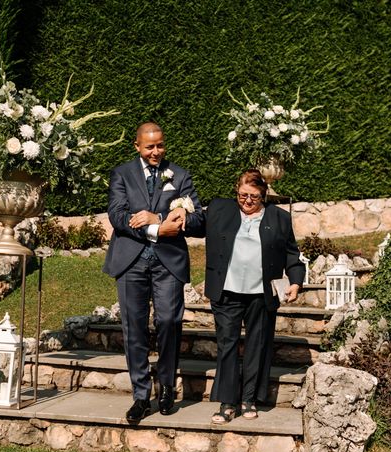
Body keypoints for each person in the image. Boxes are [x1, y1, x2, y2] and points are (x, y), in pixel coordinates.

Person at [103, 122, 204, 423]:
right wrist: (158, 227)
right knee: (134, 328)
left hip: (168, 261)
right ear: (137, 146)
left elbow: (198, 220)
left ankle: (167, 389)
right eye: (150, 147)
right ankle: (140, 396)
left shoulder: (180, 175)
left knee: (169, 322)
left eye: (160, 145)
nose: (156, 151)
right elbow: (118, 215)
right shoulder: (121, 174)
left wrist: (160, 214)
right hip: (130, 261)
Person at [204, 169, 305, 424]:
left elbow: (291, 254)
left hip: (261, 292)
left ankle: (248, 399)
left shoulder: (279, 218)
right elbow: (195, 224)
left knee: (257, 346)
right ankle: (228, 403)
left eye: (254, 197)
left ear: (264, 195)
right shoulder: (220, 209)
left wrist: (295, 281)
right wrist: (178, 212)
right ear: (236, 191)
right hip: (227, 291)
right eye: (243, 195)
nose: (248, 201)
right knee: (227, 345)